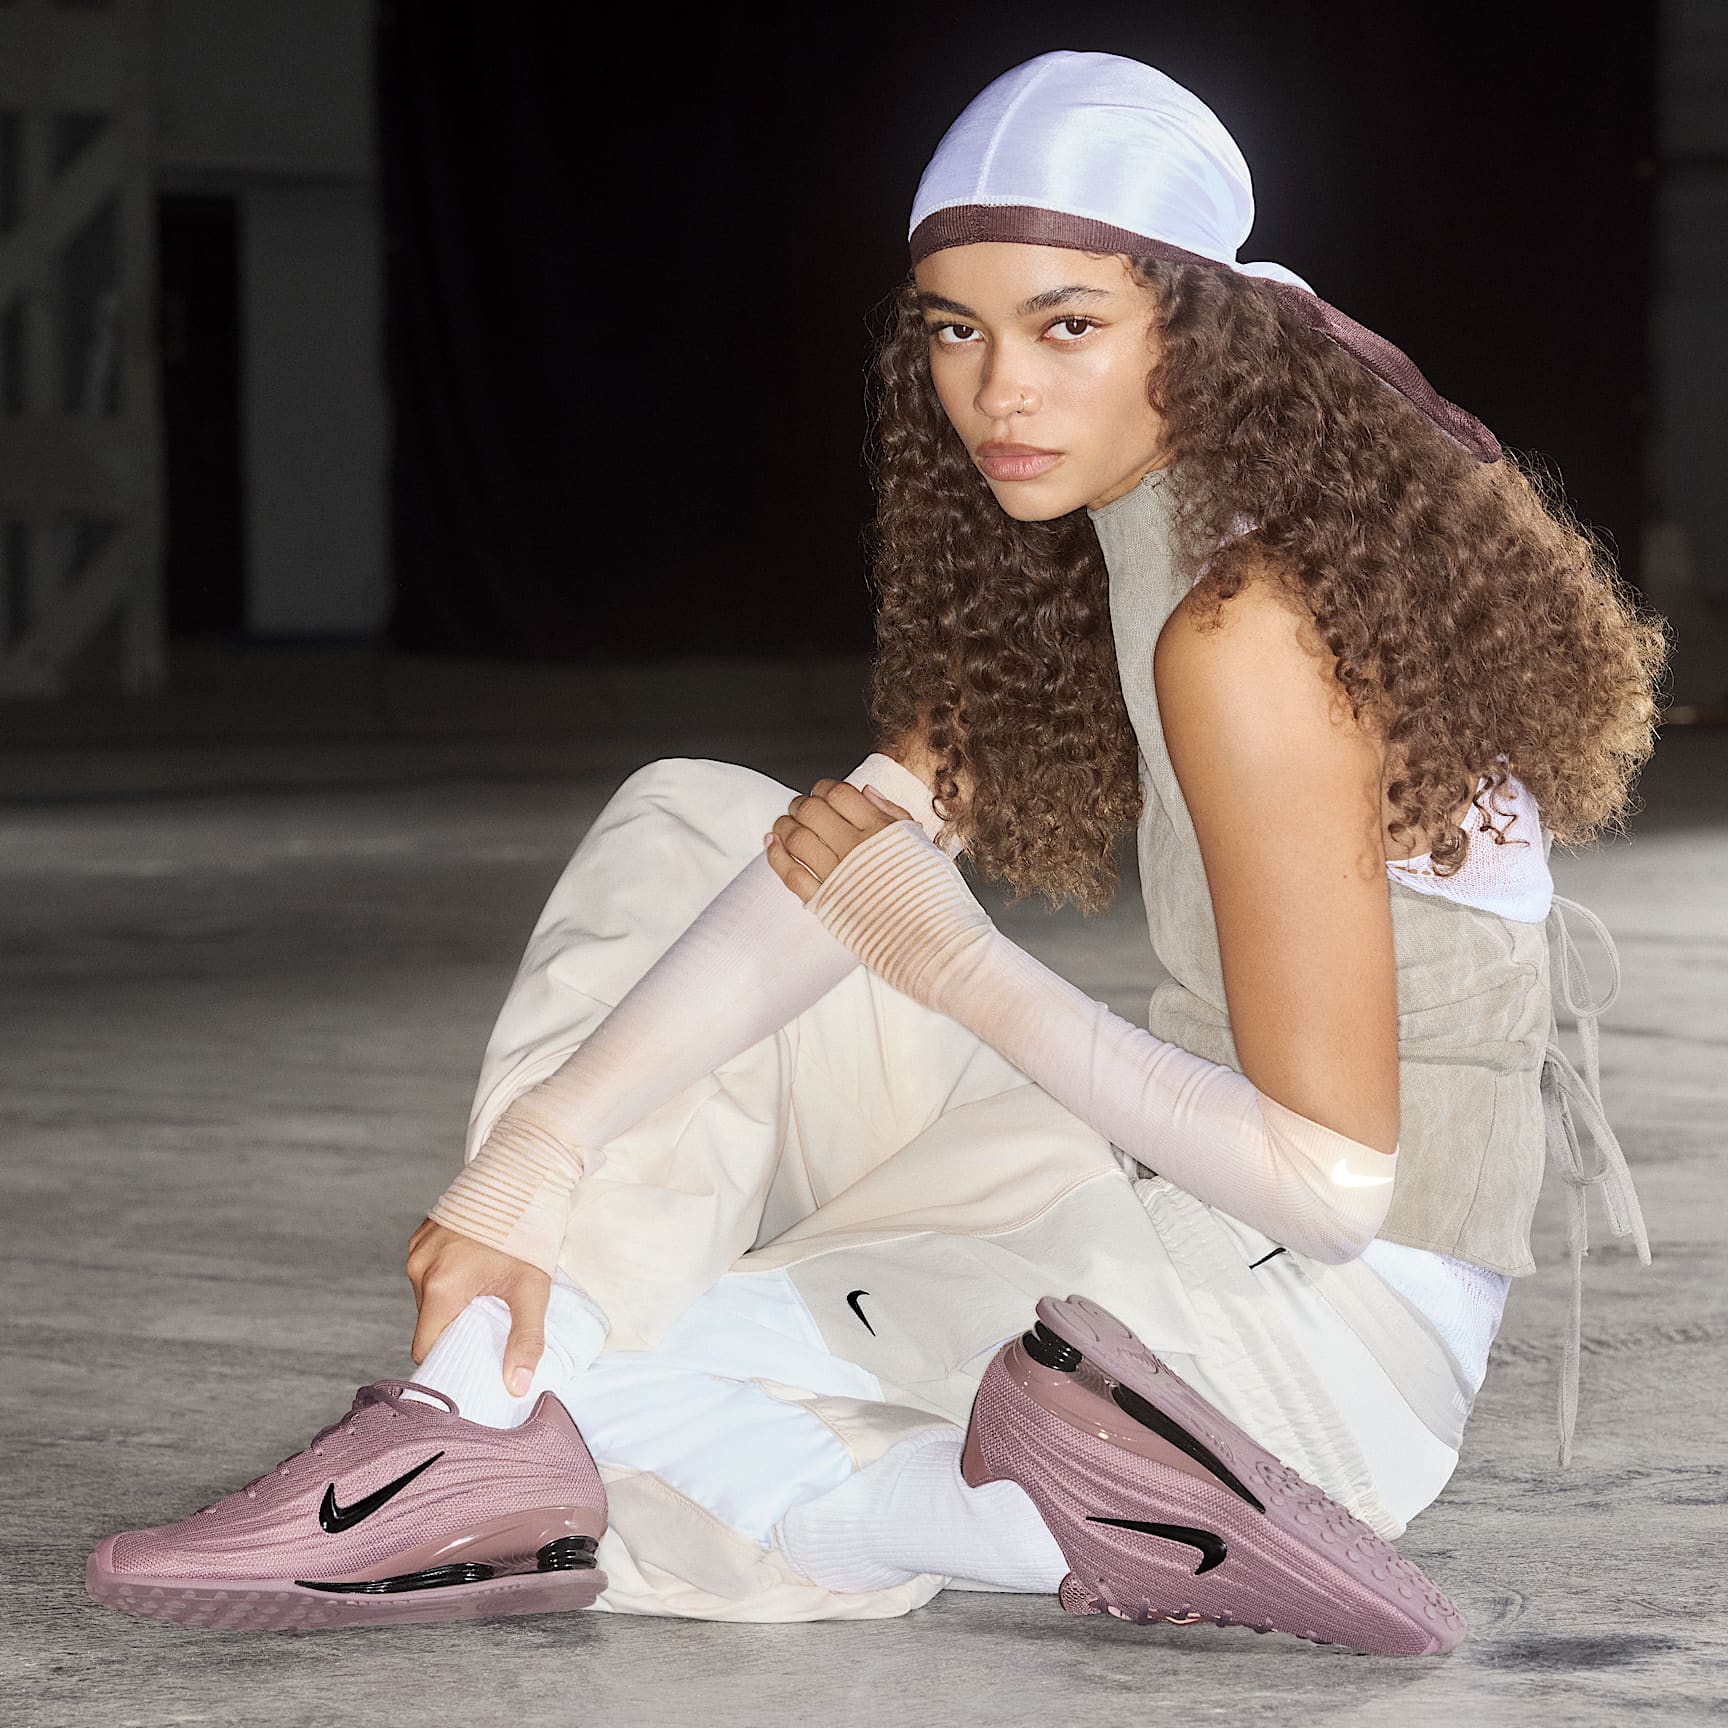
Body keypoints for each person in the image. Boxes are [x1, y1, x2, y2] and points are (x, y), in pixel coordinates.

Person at [85, 50, 1666, 1653]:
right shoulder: (1133, 531)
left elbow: (1328, 1188)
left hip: (1313, 1346)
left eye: (1066, 326)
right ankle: (504, 1424)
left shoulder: (1250, 627)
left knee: (618, 1388)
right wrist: (542, 1149)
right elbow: (844, 862)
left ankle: (970, 1499)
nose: (1000, 391)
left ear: (1202, 331)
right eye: (956, 331)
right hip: (1163, 1221)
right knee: (697, 817)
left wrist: (956, 961)